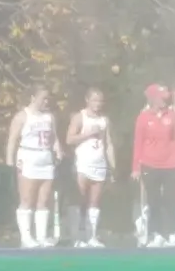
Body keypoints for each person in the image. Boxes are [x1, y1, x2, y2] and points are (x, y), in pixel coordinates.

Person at [7, 87, 64, 249]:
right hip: (28, 158)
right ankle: (26, 237)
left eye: (48, 99)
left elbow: (53, 137)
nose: (46, 102)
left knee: (43, 200)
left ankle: (42, 236)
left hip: (45, 159)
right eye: (43, 98)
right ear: (33, 98)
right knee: (27, 199)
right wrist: (10, 161)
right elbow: (12, 139)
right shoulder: (22, 116)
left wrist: (58, 149)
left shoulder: (50, 117)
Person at [131, 84, 175, 248]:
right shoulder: (143, 117)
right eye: (161, 97)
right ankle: (157, 234)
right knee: (153, 201)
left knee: (171, 199)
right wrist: (136, 168)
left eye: (166, 97)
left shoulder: (171, 114)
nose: (165, 100)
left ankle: (172, 233)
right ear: (152, 98)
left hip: (170, 164)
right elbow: (138, 143)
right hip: (149, 164)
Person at [67, 88, 115, 248]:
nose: (97, 104)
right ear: (87, 100)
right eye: (94, 100)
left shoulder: (104, 120)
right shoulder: (79, 117)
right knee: (79, 199)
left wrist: (112, 165)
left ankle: (91, 236)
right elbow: (69, 139)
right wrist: (88, 134)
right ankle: (77, 236)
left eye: (100, 100)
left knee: (94, 202)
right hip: (83, 163)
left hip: (99, 163)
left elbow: (108, 144)